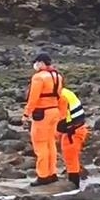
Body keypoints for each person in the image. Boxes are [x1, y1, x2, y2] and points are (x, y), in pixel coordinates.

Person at [22, 52, 64, 186]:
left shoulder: (38, 77)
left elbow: (33, 98)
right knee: (51, 143)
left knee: (40, 145)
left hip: (42, 114)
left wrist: (26, 114)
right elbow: (59, 95)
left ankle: (42, 176)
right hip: (54, 111)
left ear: (41, 63)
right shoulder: (57, 76)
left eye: (36, 62)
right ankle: (52, 173)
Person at [58, 86, 89, 188]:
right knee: (71, 158)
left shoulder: (61, 97)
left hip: (73, 131)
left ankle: (75, 186)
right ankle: (75, 184)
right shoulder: (65, 92)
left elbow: (61, 120)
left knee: (71, 159)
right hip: (77, 129)